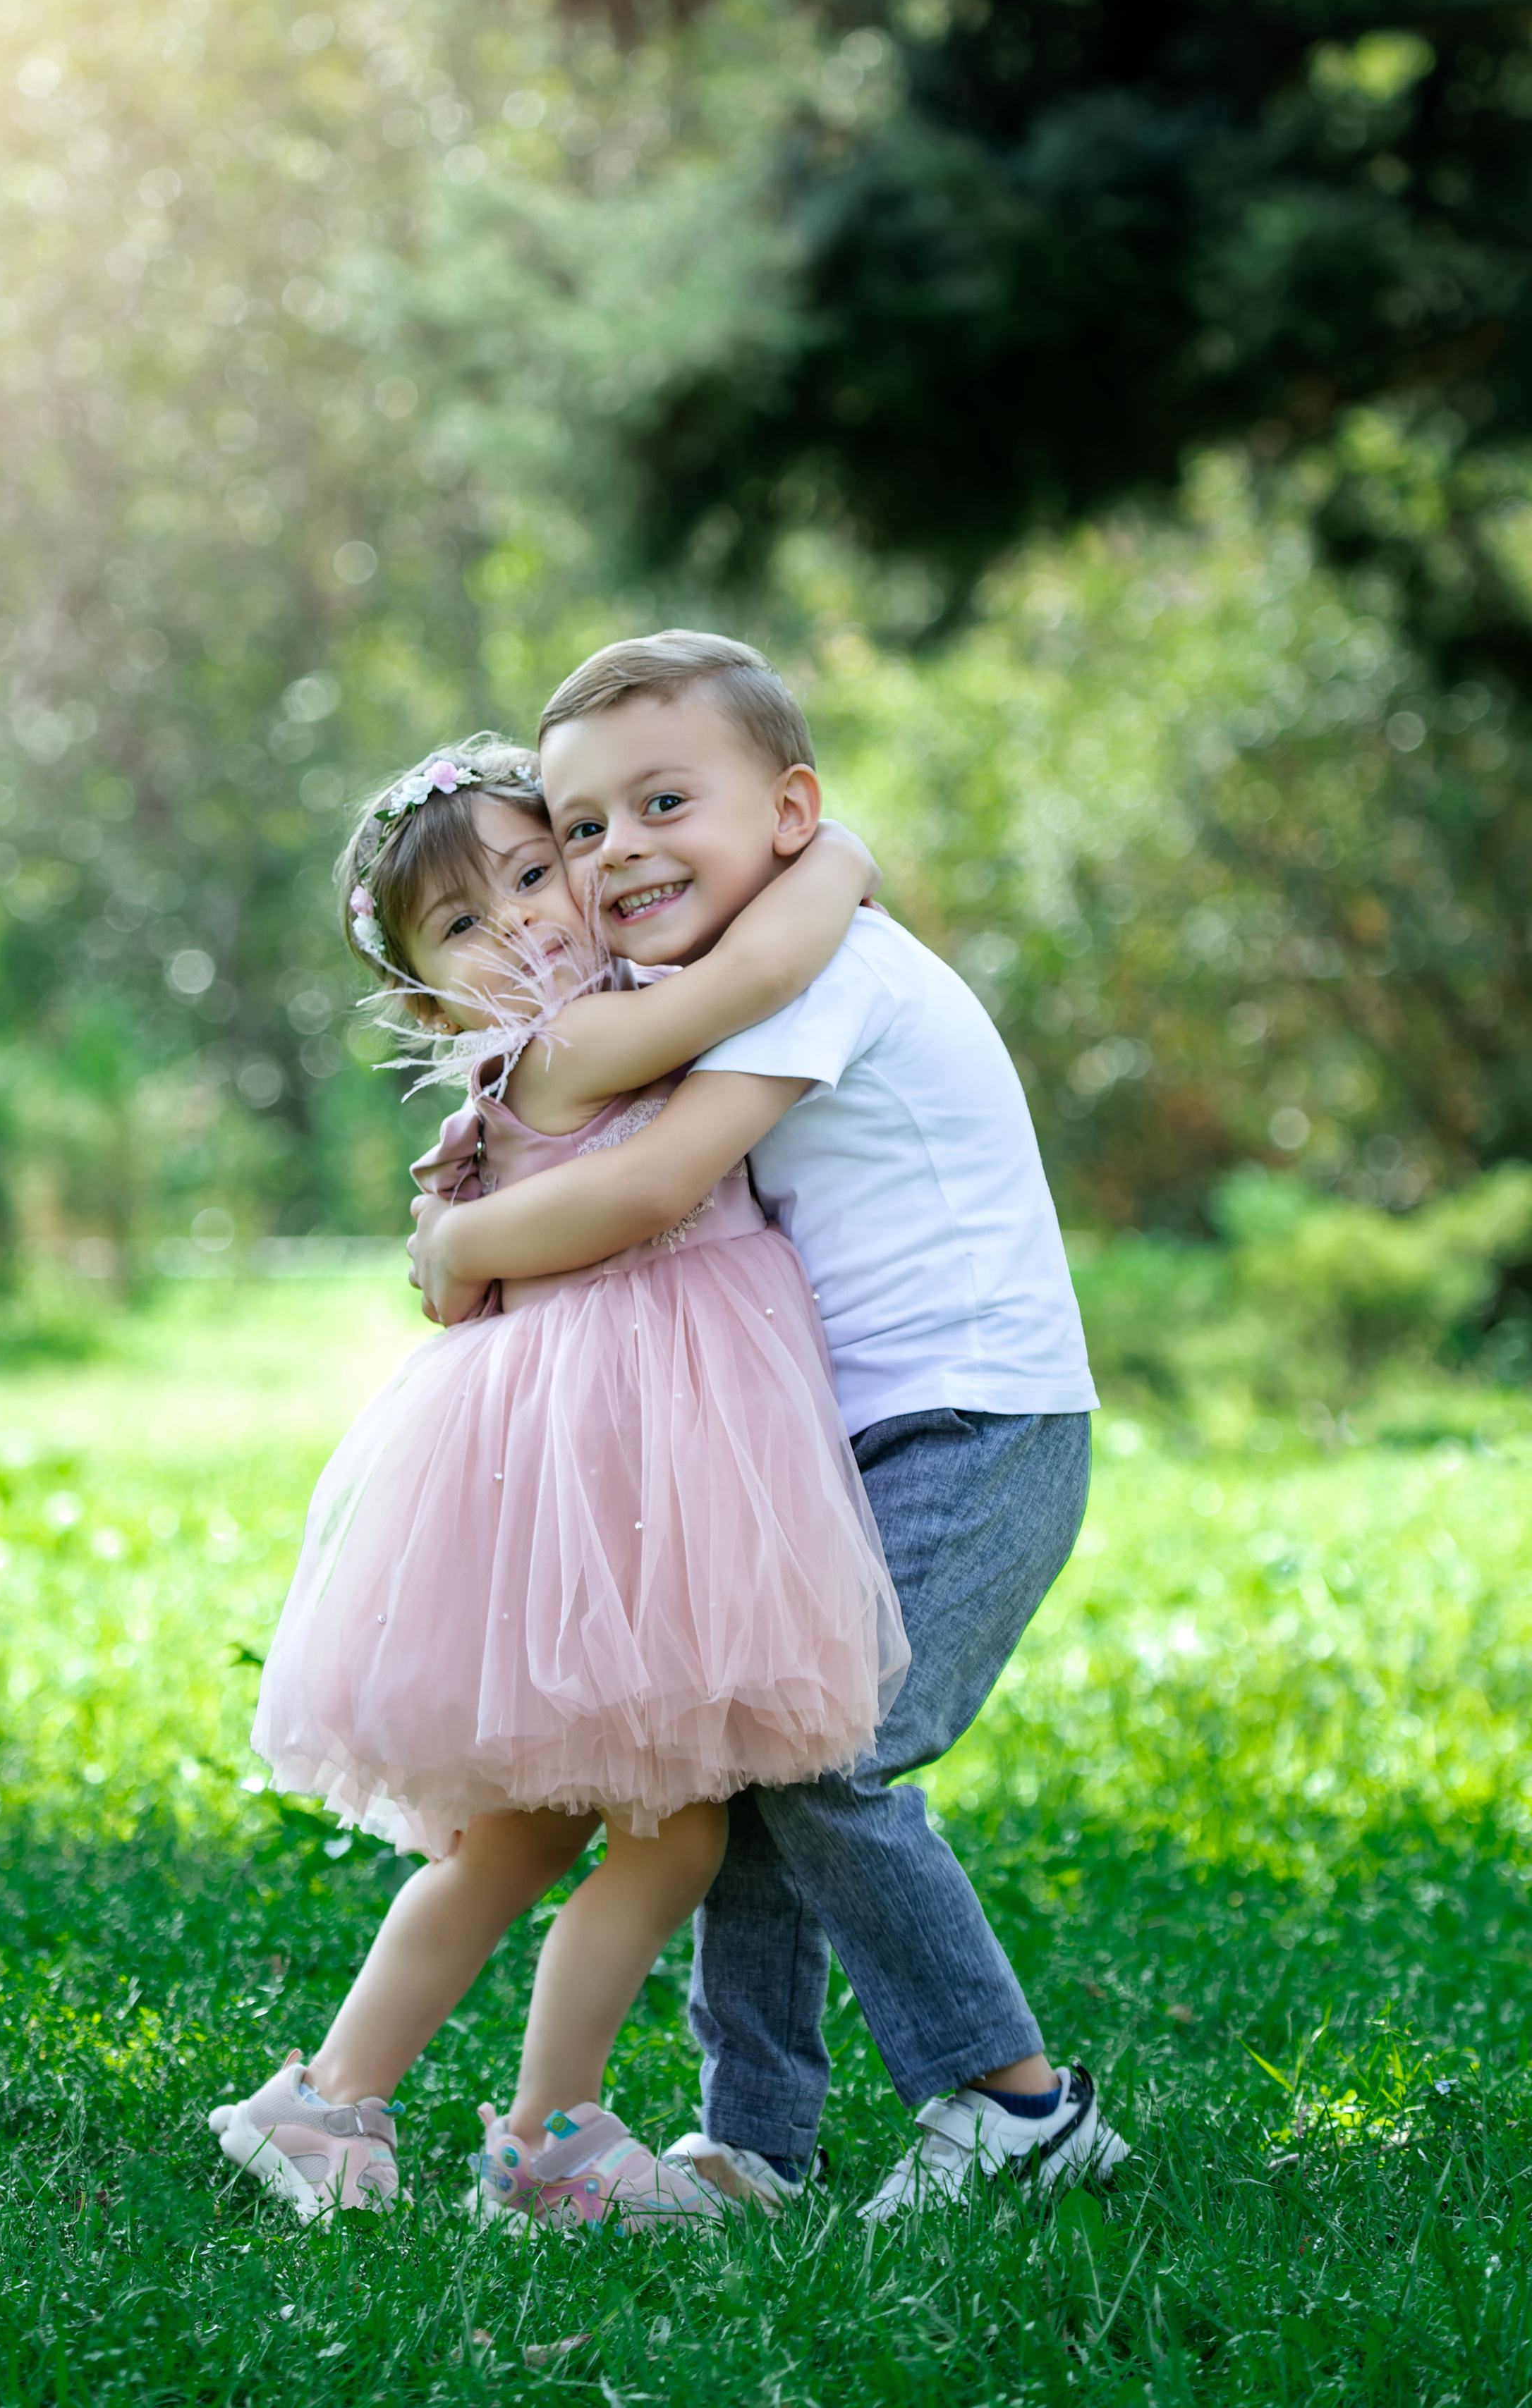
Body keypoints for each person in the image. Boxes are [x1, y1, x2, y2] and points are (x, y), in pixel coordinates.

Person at [411, 635, 1128, 2218]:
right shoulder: (721, 979)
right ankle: (754, 2140)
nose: (616, 854)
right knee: (747, 1751)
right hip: (848, 1434)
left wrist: (460, 1249)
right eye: (582, 829)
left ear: (789, 811)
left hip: (972, 1419)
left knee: (827, 1749)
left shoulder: (827, 968)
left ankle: (1015, 2105)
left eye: (666, 800)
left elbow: (655, 1188)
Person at [208, 733, 907, 2229]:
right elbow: (756, 979)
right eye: (464, 921)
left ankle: (337, 2103)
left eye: (536, 871)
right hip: (611, 1455)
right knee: (662, 1833)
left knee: (534, 1835)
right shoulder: (572, 1044)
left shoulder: (598, 1020)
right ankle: (538, 2141)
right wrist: (832, 858)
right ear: (419, 995)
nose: (521, 919)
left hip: (626, 1451)